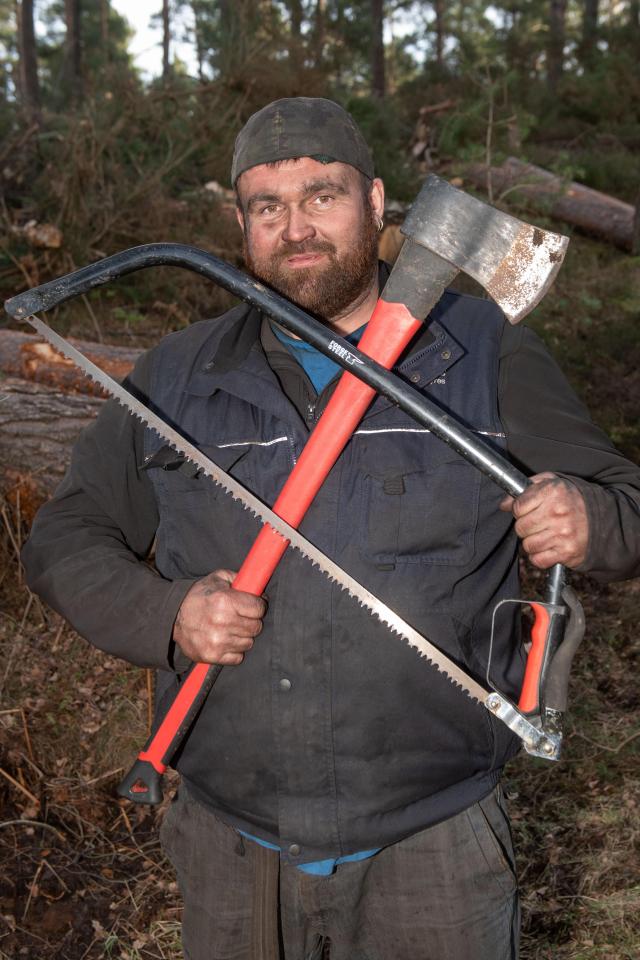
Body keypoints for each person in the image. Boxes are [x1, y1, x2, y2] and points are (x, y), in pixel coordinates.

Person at [22, 98, 640, 960]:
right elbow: (63, 537)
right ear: (240, 224)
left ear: (378, 202)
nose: (295, 227)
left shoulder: (482, 353)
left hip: (435, 842)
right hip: (232, 839)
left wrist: (590, 517)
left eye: (322, 195)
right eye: (266, 206)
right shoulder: (178, 376)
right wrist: (164, 613)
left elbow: (625, 504)